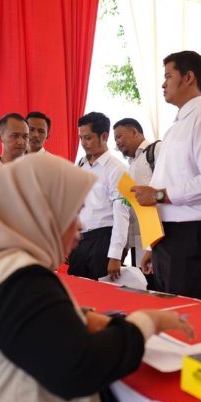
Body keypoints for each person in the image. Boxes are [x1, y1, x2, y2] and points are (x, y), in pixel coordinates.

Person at [0, 153, 194, 402]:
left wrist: (76, 320)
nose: (81, 226)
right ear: (40, 211)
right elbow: (78, 368)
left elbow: (22, 333)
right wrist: (146, 323)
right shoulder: (18, 280)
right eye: (73, 212)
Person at [132, 50, 201, 301]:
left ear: (189, 77)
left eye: (169, 75)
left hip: (193, 234)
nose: (163, 83)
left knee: (186, 314)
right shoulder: (177, 127)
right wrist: (153, 245)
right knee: (171, 312)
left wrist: (158, 195)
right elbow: (167, 180)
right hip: (170, 235)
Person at [68, 112, 130, 281]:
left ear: (104, 136)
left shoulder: (118, 169)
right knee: (77, 294)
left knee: (101, 298)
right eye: (80, 138)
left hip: (103, 241)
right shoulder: (81, 165)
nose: (83, 143)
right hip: (80, 241)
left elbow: (121, 214)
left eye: (87, 138)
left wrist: (115, 255)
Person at [113, 117, 160, 289]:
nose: (118, 143)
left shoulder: (155, 151)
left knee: (165, 293)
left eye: (120, 136)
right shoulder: (130, 165)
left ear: (134, 131)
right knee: (147, 292)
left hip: (161, 238)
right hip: (140, 243)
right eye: (115, 140)